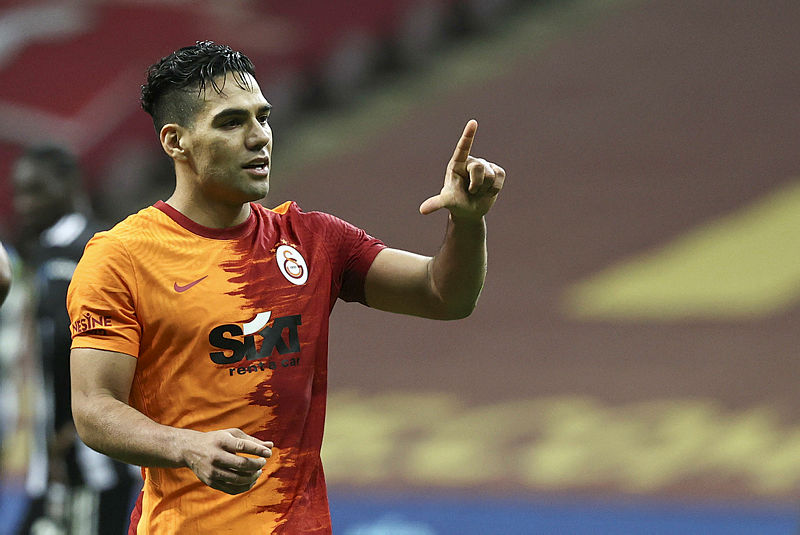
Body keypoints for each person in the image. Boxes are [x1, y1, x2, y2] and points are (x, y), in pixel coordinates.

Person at [67, 41, 505, 534]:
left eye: (263, 117)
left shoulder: (312, 239)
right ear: (176, 142)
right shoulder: (121, 256)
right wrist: (185, 446)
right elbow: (94, 408)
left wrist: (468, 222)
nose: (259, 137)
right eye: (231, 123)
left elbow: (443, 295)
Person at [11, 145, 136, 535]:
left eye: (36, 190)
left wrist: (68, 428)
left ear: (69, 184)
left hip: (91, 461)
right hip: (60, 461)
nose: (24, 204)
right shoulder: (44, 254)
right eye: (20, 192)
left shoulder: (90, 253)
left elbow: (95, 346)